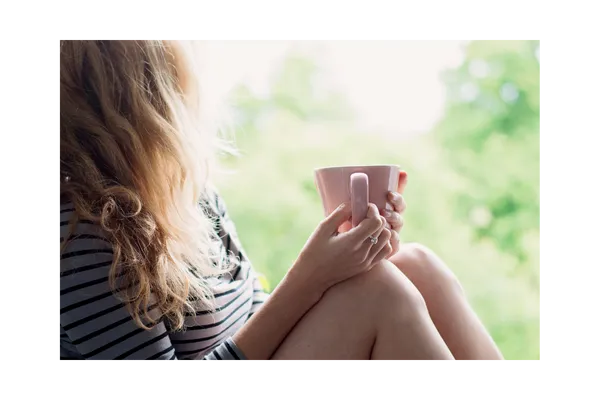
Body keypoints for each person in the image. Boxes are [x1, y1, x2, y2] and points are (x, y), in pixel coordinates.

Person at [56, 37, 504, 366]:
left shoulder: (186, 195)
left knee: (414, 264)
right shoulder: (81, 236)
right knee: (381, 291)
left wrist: (345, 257)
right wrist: (309, 278)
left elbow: (254, 312)